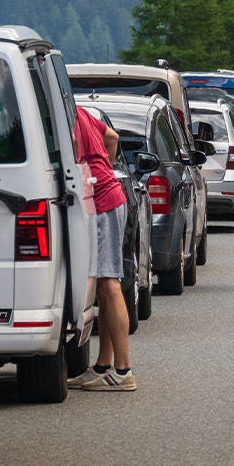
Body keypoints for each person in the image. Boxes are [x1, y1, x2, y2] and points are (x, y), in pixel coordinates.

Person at [67, 103, 133, 391]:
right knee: (105, 286)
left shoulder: (65, 115)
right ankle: (104, 366)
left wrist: (93, 174)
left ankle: (123, 370)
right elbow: (113, 138)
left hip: (103, 201)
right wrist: (104, 165)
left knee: (109, 284)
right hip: (110, 194)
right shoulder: (78, 110)